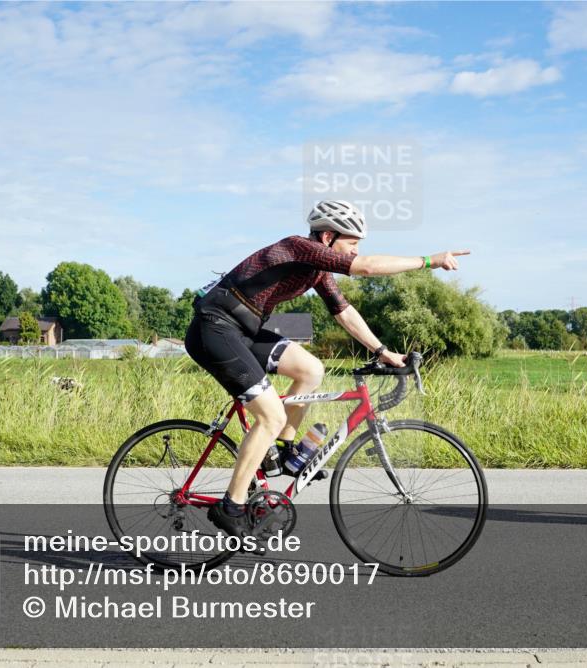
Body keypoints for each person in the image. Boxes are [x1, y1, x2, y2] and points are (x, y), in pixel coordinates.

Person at [183, 199, 469, 536]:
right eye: (352, 243)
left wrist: (382, 351)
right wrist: (427, 261)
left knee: (311, 370)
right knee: (270, 415)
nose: (354, 252)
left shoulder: (317, 269)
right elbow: (366, 268)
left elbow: (344, 312)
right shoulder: (298, 247)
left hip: (243, 330)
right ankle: (231, 505)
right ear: (329, 237)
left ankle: (284, 450)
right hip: (213, 328)